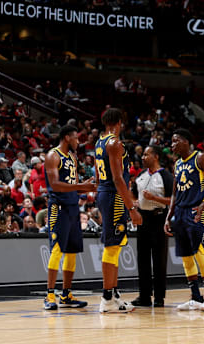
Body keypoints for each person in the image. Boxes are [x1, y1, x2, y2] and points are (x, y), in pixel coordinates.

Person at [163, 129, 204, 312]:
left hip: (196, 211)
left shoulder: (201, 159)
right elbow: (174, 193)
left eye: (175, 141)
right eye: (171, 142)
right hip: (179, 212)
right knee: (186, 256)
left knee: (199, 251)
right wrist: (169, 215)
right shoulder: (178, 163)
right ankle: (195, 296)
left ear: (186, 141)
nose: (172, 145)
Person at [42, 124, 96, 310]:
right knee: (57, 249)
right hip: (58, 207)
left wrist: (85, 186)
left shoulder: (72, 157)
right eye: (76, 138)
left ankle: (66, 294)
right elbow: (56, 185)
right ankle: (49, 295)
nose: (78, 142)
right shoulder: (52, 156)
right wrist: (80, 185)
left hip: (73, 206)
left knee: (72, 251)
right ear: (66, 137)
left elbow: (71, 184)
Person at [95, 107, 142, 313]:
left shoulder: (100, 142)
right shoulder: (114, 143)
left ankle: (113, 294)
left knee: (114, 246)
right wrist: (131, 207)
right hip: (113, 195)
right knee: (112, 247)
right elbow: (117, 178)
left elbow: (99, 177)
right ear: (119, 123)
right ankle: (106, 299)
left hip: (106, 193)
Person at [131, 146, 173, 307]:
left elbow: (173, 200)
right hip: (143, 219)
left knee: (159, 259)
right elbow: (133, 193)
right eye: (143, 155)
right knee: (142, 259)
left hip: (159, 218)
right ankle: (144, 296)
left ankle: (159, 297)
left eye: (146, 154)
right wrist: (135, 203)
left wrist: (154, 197)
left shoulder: (166, 176)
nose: (143, 157)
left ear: (155, 156)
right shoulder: (141, 176)